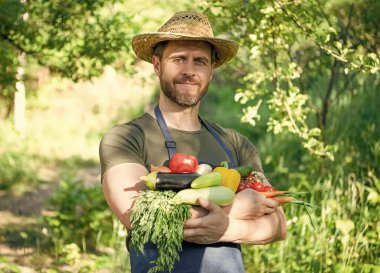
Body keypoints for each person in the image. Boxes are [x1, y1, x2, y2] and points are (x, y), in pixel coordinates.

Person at [99, 11, 287, 273]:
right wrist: (237, 207)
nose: (189, 70)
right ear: (157, 65)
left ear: (210, 70)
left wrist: (227, 228)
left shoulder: (235, 143)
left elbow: (277, 224)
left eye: (200, 61)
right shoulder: (127, 138)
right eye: (179, 59)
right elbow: (141, 217)